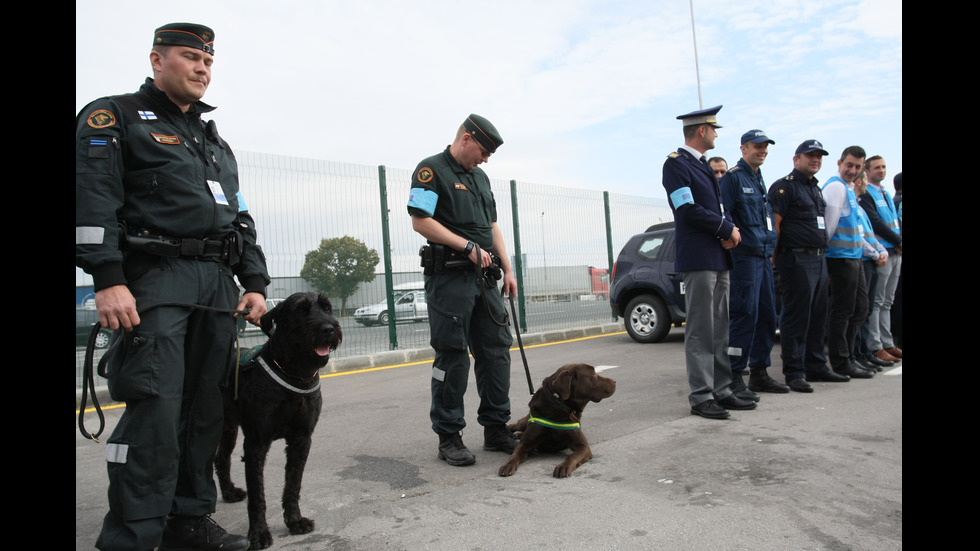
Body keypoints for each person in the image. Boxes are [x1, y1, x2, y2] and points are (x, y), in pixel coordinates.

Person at [76, 23, 269, 551]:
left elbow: (239, 217)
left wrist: (253, 279)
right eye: (190, 58)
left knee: (206, 409)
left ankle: (188, 521)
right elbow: (93, 200)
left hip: (216, 286)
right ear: (158, 60)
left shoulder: (213, 141)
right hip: (154, 279)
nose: (202, 69)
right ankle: (131, 535)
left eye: (208, 61)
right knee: (156, 409)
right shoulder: (113, 116)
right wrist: (109, 279)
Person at [407, 114, 520, 465]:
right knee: (452, 356)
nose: (485, 159)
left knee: (496, 352)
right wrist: (466, 247)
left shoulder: (481, 178)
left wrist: (509, 268)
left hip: (486, 279)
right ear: (466, 139)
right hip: (450, 279)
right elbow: (420, 221)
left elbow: (492, 225)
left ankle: (496, 428)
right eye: (483, 151)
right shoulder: (430, 170)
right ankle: (449, 435)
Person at [661, 105, 756, 420]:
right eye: (714, 129)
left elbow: (718, 207)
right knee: (701, 330)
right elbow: (687, 209)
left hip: (717, 256)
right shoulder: (676, 165)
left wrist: (732, 229)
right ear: (701, 130)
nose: (716, 133)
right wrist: (725, 228)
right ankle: (702, 396)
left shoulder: (702, 165)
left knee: (720, 329)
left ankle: (722, 389)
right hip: (700, 258)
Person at [767, 140, 850, 393]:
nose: (815, 159)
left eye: (819, 156)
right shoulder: (784, 187)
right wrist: (774, 257)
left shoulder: (815, 188)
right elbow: (776, 225)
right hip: (795, 259)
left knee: (818, 315)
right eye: (810, 155)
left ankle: (815, 366)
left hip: (818, 258)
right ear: (796, 159)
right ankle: (794, 372)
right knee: (797, 317)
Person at [719, 130, 789, 399]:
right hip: (744, 257)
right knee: (744, 314)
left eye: (765, 147)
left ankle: (760, 372)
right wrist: (728, 234)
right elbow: (723, 211)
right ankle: (735, 375)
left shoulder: (758, 178)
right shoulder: (734, 177)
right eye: (757, 146)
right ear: (743, 148)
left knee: (767, 316)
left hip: (762, 257)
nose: (762, 150)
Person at [820, 146, 875, 379]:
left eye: (857, 167)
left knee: (860, 307)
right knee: (842, 310)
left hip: (854, 258)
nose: (852, 170)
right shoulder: (835, 187)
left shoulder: (849, 189)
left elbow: (855, 230)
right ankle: (841, 361)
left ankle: (850, 356)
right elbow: (828, 228)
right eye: (849, 165)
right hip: (839, 259)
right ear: (840, 162)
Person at [859, 156, 903, 363]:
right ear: (867, 171)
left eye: (884, 167)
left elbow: (894, 221)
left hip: (895, 251)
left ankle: (888, 342)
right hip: (883, 251)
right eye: (877, 168)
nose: (881, 170)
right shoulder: (867, 194)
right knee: (877, 301)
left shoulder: (884, 192)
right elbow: (876, 222)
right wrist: (896, 241)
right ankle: (875, 345)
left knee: (888, 301)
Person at [852, 171, 889, 372]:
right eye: (864, 179)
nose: (867, 183)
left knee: (867, 309)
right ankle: (858, 354)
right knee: (860, 309)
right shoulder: (854, 207)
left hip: (871, 260)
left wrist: (881, 250)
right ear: (859, 181)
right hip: (864, 260)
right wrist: (876, 254)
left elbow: (870, 235)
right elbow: (859, 237)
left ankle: (866, 353)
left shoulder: (859, 207)